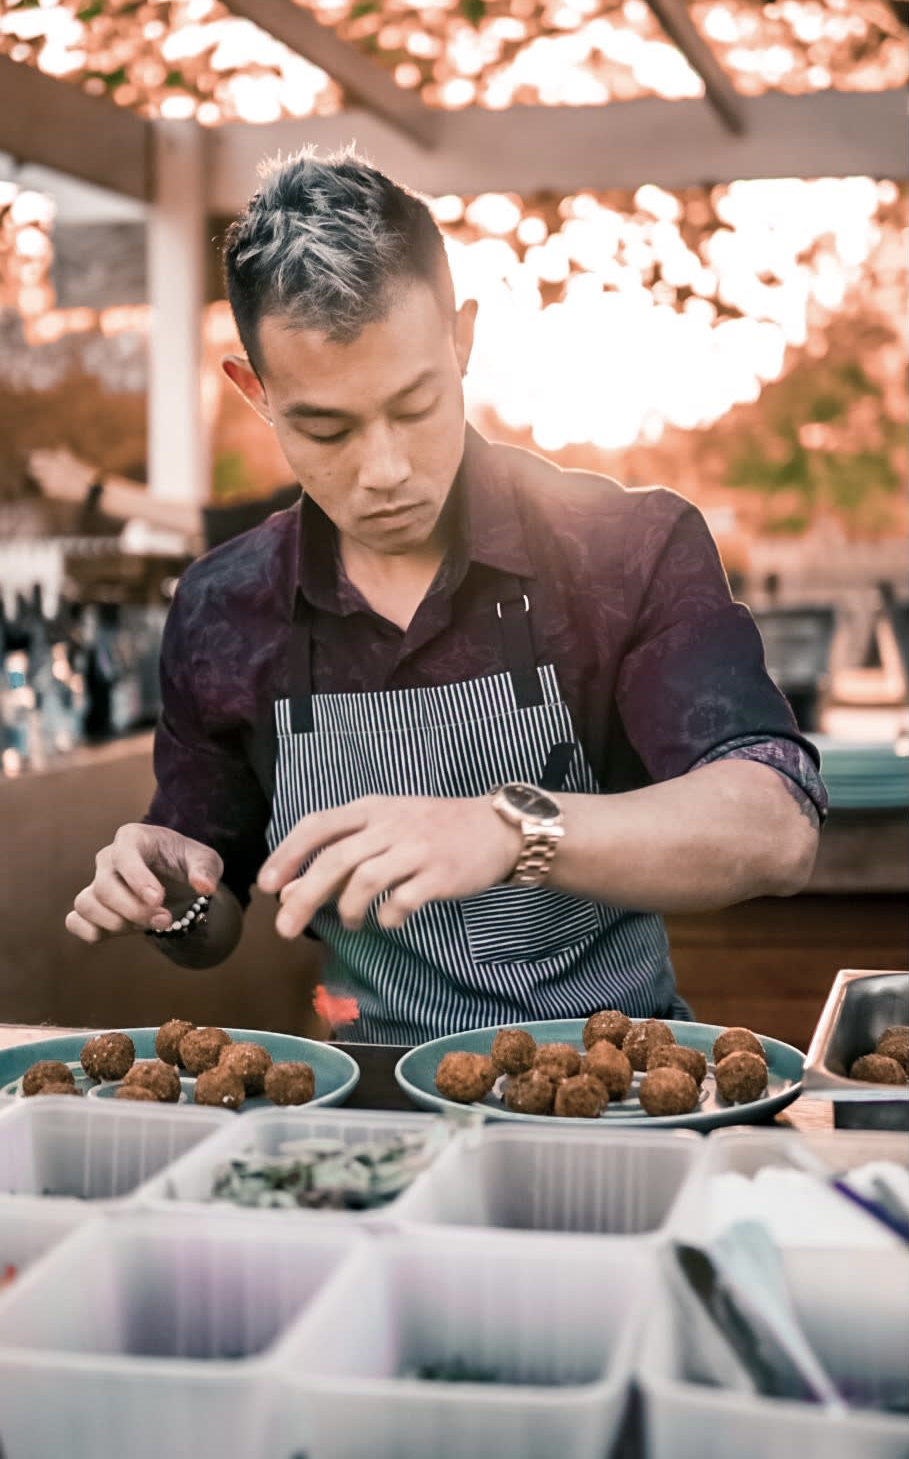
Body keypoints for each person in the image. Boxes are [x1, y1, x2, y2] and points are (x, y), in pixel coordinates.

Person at [66, 151, 827, 1043]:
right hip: (371, 1096)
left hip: (616, 1082)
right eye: (325, 426)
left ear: (460, 341)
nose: (383, 470)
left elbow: (774, 827)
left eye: (416, 404)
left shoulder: (624, 548)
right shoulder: (223, 610)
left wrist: (512, 828)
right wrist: (172, 896)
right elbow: (217, 916)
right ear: (256, 392)